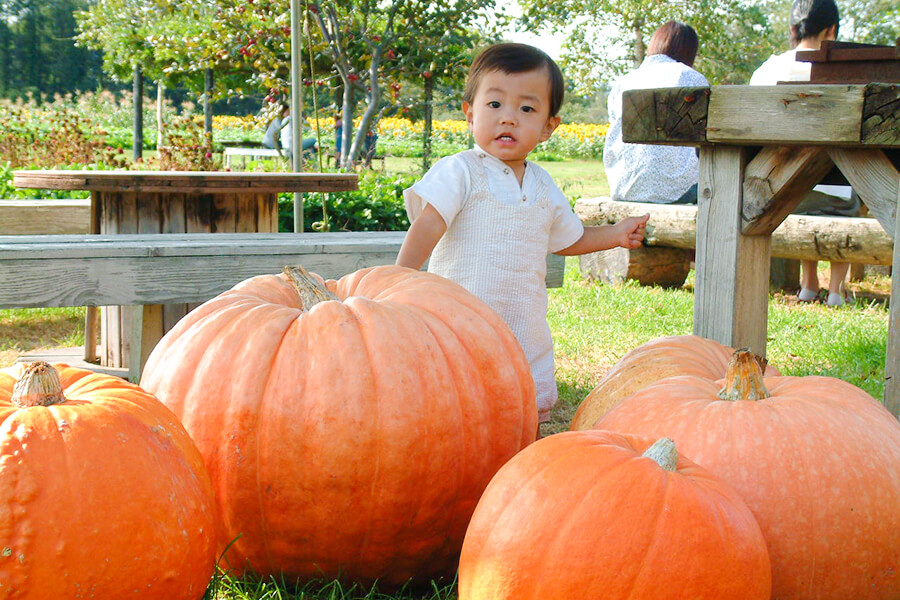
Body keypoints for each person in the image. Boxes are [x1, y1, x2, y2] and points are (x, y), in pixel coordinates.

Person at [396, 43, 649, 424]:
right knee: (460, 407)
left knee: (521, 409)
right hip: (459, 323)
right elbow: (429, 223)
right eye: (494, 105)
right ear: (469, 114)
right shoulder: (460, 172)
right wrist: (398, 279)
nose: (508, 119)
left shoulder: (544, 186)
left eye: (526, 108)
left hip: (523, 325)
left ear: (549, 126)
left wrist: (614, 234)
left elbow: (570, 239)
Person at [750, 0, 859, 307]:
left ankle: (808, 284)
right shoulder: (843, 72)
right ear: (831, 30)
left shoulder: (766, 70)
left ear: (793, 29)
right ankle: (837, 289)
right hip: (834, 191)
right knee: (845, 184)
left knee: (806, 188)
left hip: (775, 190)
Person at [603, 21, 709, 204]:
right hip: (677, 190)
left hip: (624, 187)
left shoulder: (624, 82)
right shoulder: (689, 76)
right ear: (689, 51)